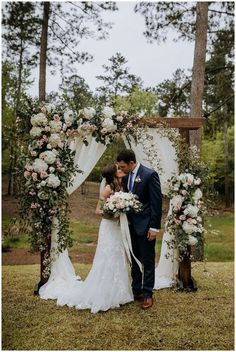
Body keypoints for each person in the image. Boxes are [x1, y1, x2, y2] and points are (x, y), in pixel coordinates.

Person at [56, 164, 133, 313]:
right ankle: (103, 293)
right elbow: (98, 210)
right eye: (118, 169)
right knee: (107, 256)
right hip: (108, 227)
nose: (121, 170)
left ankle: (118, 292)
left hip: (117, 227)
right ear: (113, 174)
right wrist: (113, 211)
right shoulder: (108, 188)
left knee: (118, 256)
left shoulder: (122, 187)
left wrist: (123, 210)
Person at [117, 149, 162, 309]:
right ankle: (136, 290)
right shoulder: (125, 176)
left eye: (123, 166)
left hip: (145, 226)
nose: (121, 169)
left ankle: (148, 294)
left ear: (131, 163)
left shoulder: (150, 175)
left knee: (147, 260)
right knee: (134, 260)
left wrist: (154, 227)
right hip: (129, 227)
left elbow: (156, 203)